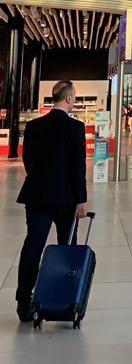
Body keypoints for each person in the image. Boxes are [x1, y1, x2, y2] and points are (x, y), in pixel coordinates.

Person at [15, 79, 88, 322]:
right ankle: (65, 299)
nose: (75, 99)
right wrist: (81, 199)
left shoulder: (34, 126)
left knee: (33, 246)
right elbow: (78, 167)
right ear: (67, 98)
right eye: (74, 95)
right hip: (66, 199)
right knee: (66, 248)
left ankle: (24, 300)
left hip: (37, 196)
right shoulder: (75, 128)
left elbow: (28, 161)